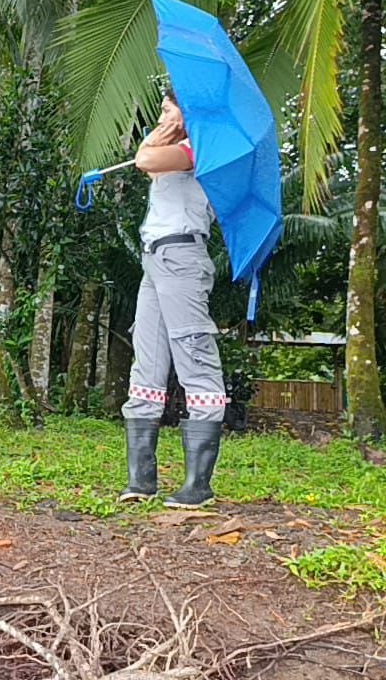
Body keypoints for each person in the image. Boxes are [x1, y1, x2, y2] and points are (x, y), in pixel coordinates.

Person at [120, 88, 227, 509]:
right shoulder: (176, 145)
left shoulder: (200, 148)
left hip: (182, 256)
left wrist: (169, 125)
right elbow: (149, 165)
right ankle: (141, 480)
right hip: (156, 257)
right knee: (148, 358)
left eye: (168, 106)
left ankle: (197, 485)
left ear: (186, 111)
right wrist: (167, 126)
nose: (162, 114)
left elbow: (146, 159)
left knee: (193, 354)